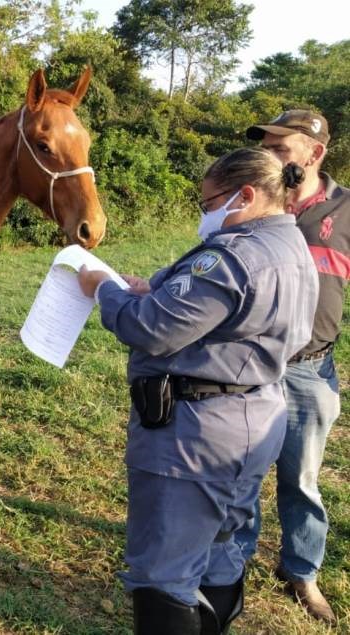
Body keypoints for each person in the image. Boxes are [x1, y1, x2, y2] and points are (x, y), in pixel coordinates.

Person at [77, 147, 318, 634]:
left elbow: (151, 329)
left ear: (245, 195)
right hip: (253, 415)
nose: (205, 214)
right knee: (222, 547)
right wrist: (157, 291)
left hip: (195, 435)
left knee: (163, 573)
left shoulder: (233, 256)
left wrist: (102, 286)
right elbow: (230, 314)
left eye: (210, 202)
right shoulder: (291, 245)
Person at [234, 110, 349, 625]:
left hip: (309, 368)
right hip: (252, 362)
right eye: (268, 147)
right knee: (243, 470)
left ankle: (302, 571)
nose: (271, 156)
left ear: (314, 154)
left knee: (301, 477)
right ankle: (235, 557)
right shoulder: (254, 200)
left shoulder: (345, 211)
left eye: (282, 148)